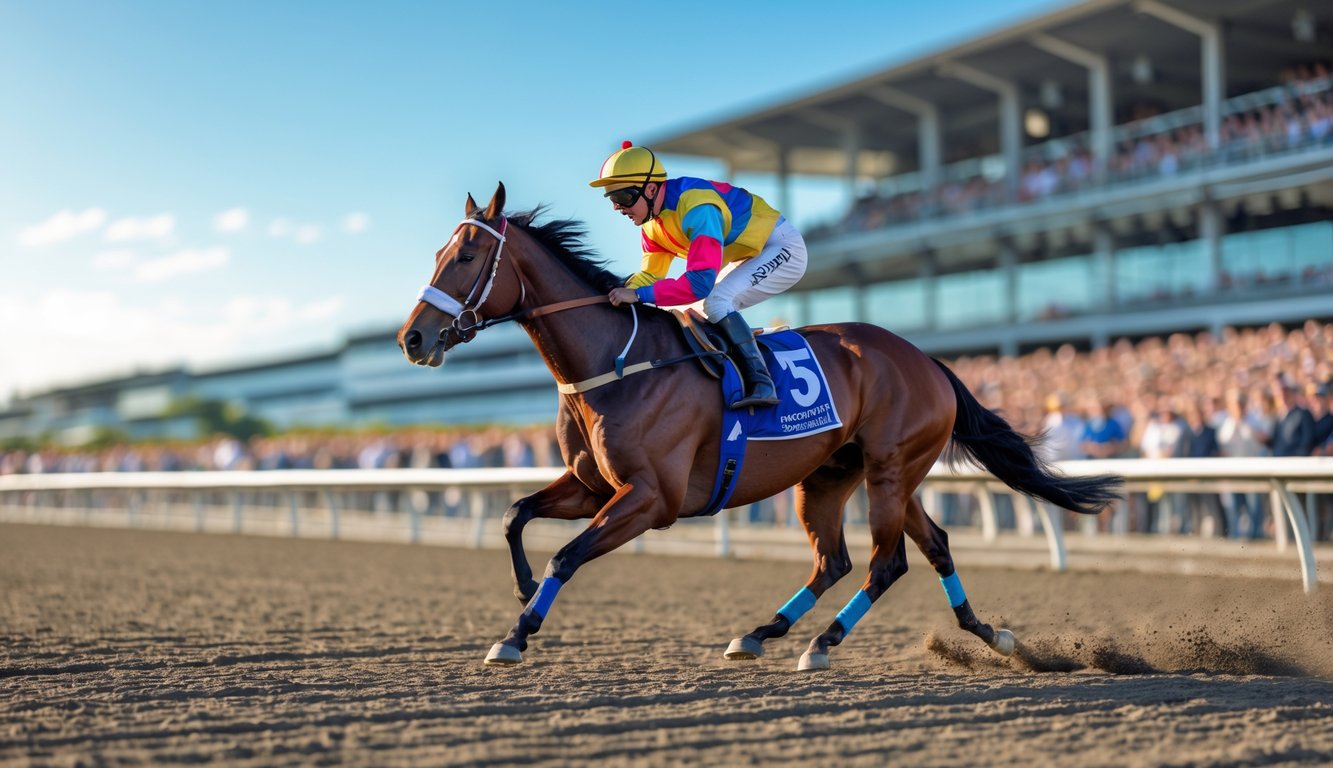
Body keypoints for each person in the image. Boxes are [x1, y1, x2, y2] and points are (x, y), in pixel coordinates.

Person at [590, 141, 808, 408]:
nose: (617, 208)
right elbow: (650, 275)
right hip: (748, 256)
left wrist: (637, 295)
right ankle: (747, 349)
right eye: (611, 200)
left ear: (650, 188)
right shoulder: (651, 226)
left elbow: (700, 282)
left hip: (781, 247)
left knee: (715, 302)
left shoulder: (697, 206)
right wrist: (612, 293)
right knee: (687, 313)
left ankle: (762, 382)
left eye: (623, 197)